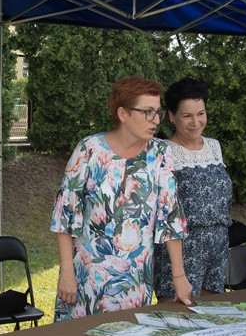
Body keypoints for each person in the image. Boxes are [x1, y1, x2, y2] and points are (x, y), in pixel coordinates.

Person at [53, 76, 191, 319]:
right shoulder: (89, 150)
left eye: (157, 112)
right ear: (123, 114)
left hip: (135, 283)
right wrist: (66, 273)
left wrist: (179, 277)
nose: (156, 120)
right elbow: (65, 216)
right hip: (85, 280)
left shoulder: (161, 152)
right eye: (148, 112)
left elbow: (171, 216)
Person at [153, 78, 232, 299]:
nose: (195, 122)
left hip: (217, 248)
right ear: (172, 116)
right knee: (177, 318)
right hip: (182, 249)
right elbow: (164, 209)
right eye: (187, 115)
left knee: (211, 318)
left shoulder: (214, 146)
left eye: (201, 113)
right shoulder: (163, 151)